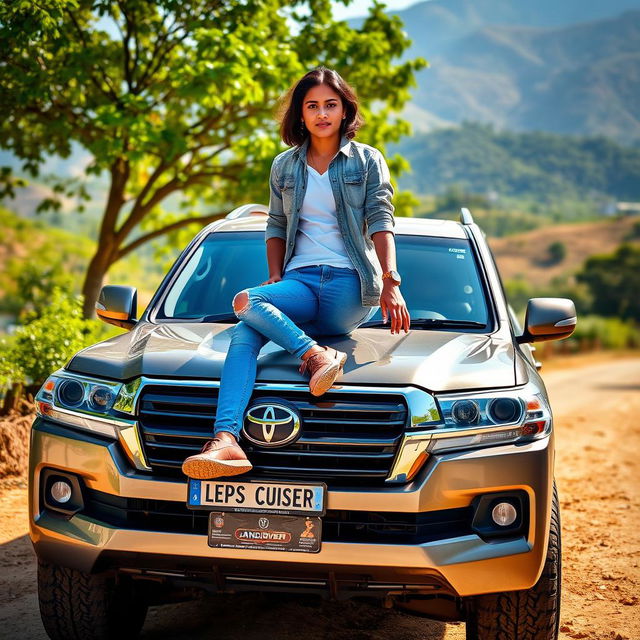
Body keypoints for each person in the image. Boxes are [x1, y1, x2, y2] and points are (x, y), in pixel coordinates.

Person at [182, 66, 410, 481]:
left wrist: (391, 282)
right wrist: (274, 276)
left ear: (345, 111)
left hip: (348, 285)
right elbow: (276, 225)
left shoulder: (366, 160)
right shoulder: (285, 166)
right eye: (312, 106)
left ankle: (312, 354)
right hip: (299, 283)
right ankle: (227, 439)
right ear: (300, 115)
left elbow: (380, 217)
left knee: (247, 308)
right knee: (246, 323)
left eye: (330, 104)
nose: (322, 113)